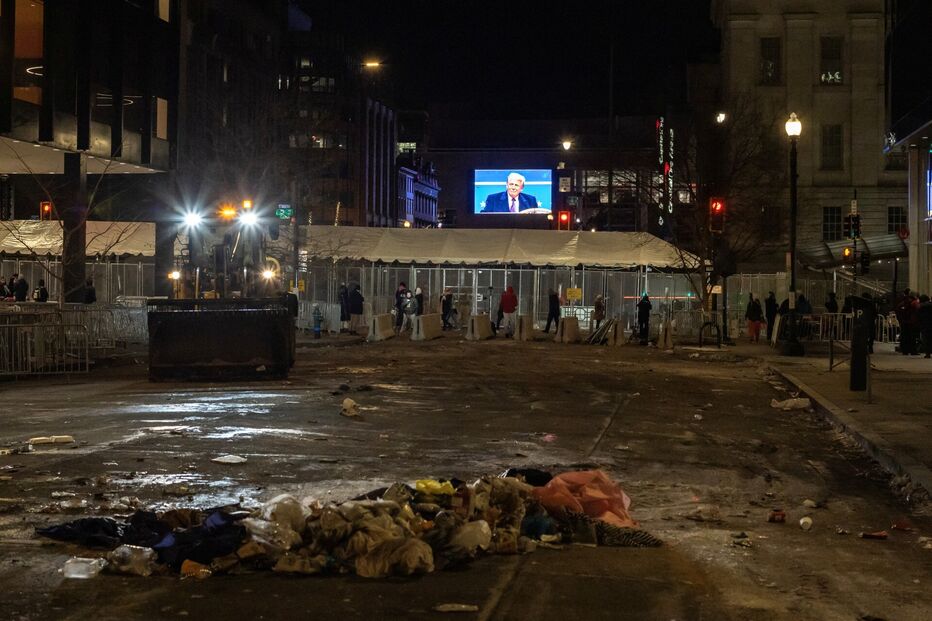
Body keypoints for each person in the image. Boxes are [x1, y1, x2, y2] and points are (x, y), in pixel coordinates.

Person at [895, 288, 919, 355]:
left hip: (904, 322)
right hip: (911, 322)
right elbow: (917, 310)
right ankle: (913, 351)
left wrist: (900, 320)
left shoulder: (902, 302)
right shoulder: (914, 302)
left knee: (904, 336)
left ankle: (905, 350)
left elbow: (898, 310)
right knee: (912, 337)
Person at [918, 294, 932, 359]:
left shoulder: (921, 306)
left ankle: (928, 353)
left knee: (926, 339)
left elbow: (918, 316)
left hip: (925, 325)